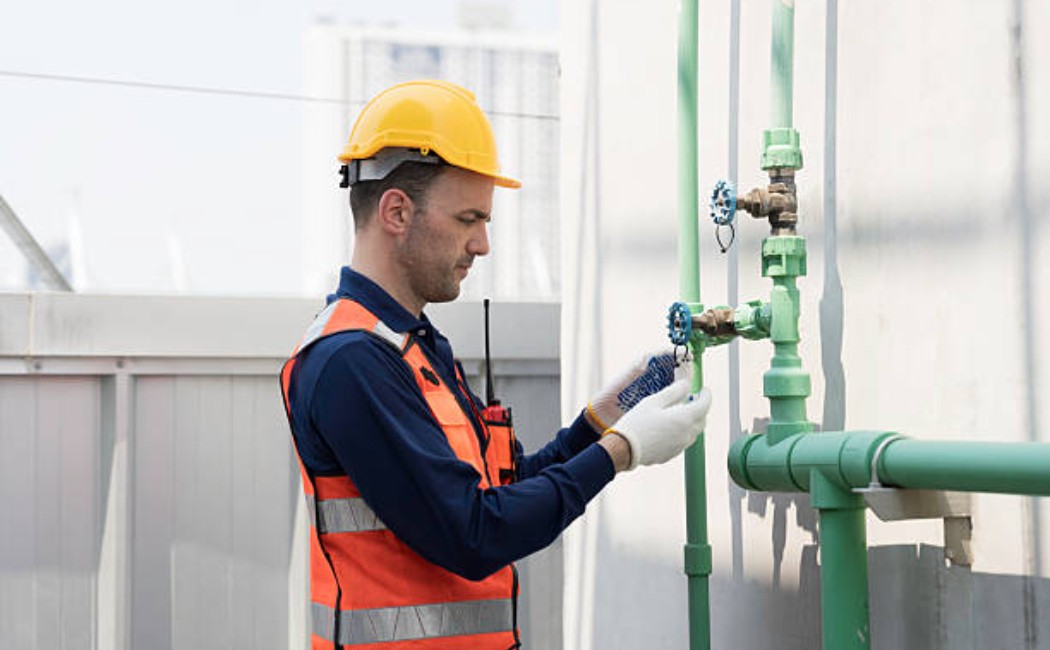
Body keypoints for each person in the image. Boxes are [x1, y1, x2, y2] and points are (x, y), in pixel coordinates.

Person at [280, 79, 712, 650]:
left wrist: (599, 422)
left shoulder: (414, 346)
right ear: (396, 212)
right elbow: (475, 533)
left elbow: (496, 495)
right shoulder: (351, 361)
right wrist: (620, 452)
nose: (483, 244)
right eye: (468, 219)